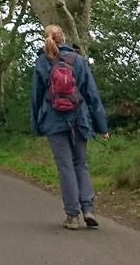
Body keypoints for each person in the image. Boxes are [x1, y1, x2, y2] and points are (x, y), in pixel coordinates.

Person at [31, 24, 109, 229]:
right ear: (63, 38)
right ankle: (88, 209)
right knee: (80, 164)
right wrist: (102, 126)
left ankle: (72, 216)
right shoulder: (79, 61)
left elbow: (36, 98)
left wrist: (37, 125)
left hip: (53, 121)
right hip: (79, 120)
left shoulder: (42, 62)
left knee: (65, 166)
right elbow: (92, 95)